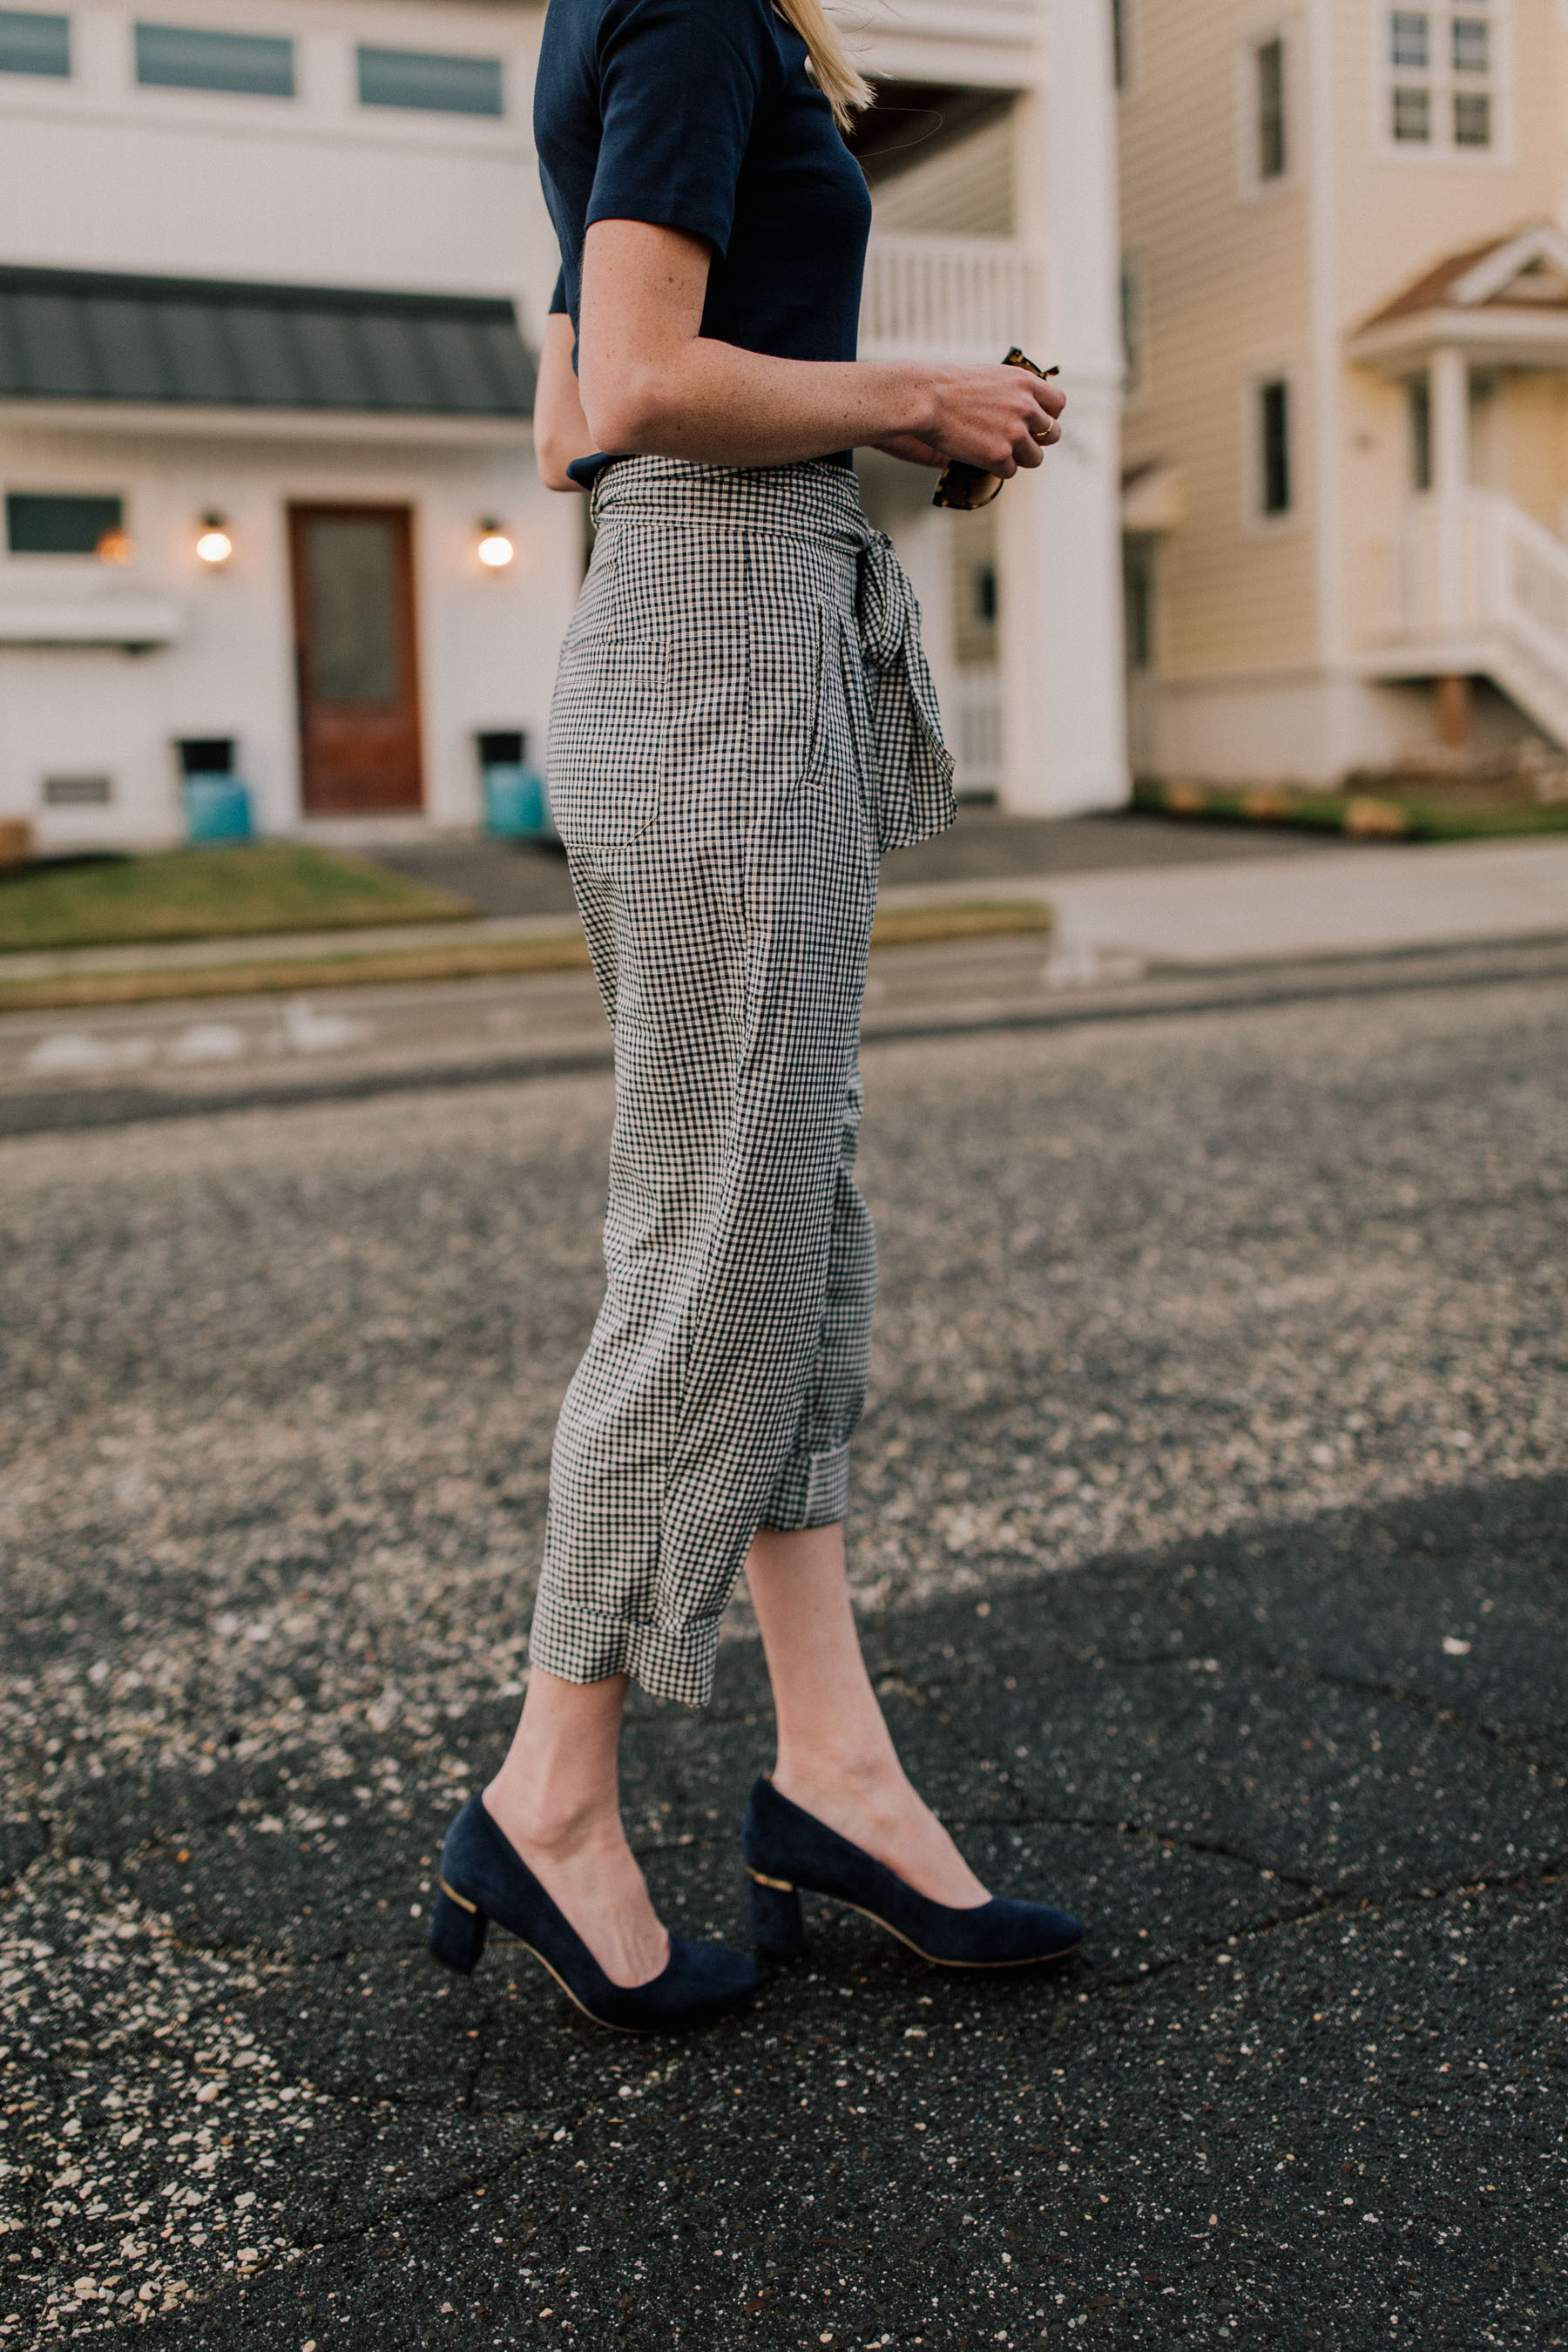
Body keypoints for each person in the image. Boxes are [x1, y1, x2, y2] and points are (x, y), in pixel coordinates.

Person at [429, 0, 1081, 2031]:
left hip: (697, 638)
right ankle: (549, 1792)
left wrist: (886, 418)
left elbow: (570, 422)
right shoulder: (697, 7)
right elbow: (634, 379)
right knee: (722, 1248)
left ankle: (834, 1770)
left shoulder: (627, 19)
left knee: (788, 1228)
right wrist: (920, 392)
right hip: (717, 658)